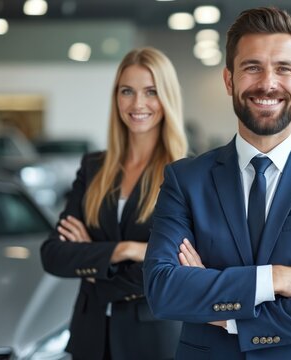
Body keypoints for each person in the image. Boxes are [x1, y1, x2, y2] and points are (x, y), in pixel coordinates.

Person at [143, 7, 291, 360]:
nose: (268, 83)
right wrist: (277, 278)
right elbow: (164, 290)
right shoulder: (185, 180)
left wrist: (230, 318)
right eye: (252, 67)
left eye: (283, 68)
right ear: (229, 80)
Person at [40, 47, 188, 360]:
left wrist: (92, 264)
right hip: (89, 338)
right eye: (127, 91)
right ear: (116, 97)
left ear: (167, 98)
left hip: (153, 342)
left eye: (151, 92)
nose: (138, 104)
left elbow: (174, 270)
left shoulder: (186, 175)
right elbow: (53, 255)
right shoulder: (94, 168)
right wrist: (128, 250)